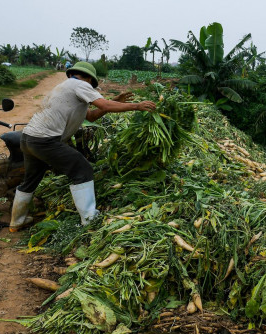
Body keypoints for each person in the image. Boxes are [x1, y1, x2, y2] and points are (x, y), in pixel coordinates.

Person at [9, 61, 156, 231]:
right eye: (92, 84)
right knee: (82, 169)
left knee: (31, 180)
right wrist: (137, 106)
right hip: (45, 141)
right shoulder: (79, 84)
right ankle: (89, 220)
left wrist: (113, 102)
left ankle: (17, 221)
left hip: (28, 139)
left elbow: (92, 116)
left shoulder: (67, 87)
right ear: (89, 79)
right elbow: (104, 105)